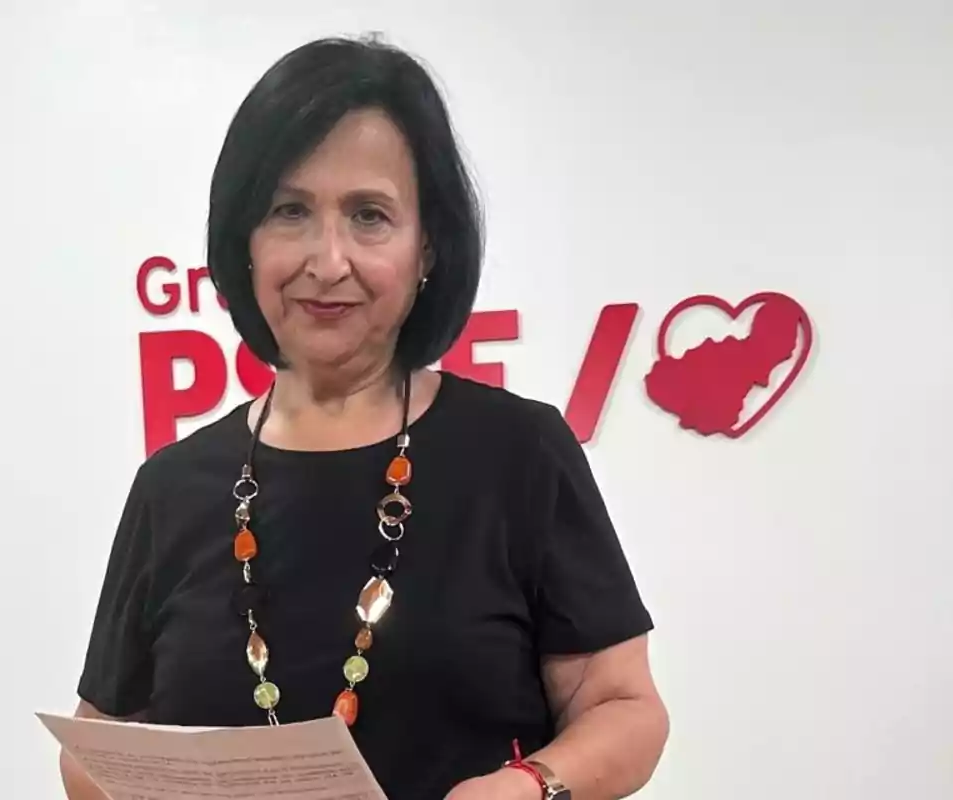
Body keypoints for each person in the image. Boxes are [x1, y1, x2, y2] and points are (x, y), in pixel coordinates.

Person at [62, 35, 669, 800]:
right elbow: (95, 746)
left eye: (370, 216)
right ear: (243, 244)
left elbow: (624, 708)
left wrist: (527, 786)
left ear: (428, 250)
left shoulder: (520, 452)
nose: (328, 260)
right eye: (289, 211)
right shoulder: (172, 486)